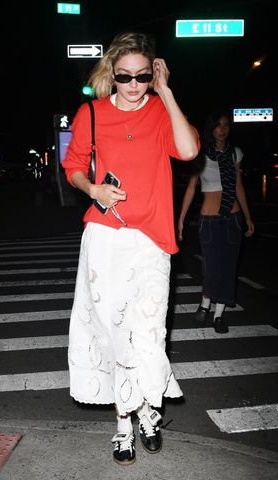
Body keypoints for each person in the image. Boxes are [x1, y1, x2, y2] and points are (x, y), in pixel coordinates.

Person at [62, 31, 199, 466]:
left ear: (153, 73)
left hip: (152, 240)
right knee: (116, 337)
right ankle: (124, 426)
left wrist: (168, 92)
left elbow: (189, 149)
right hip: (105, 238)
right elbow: (72, 167)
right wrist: (93, 188)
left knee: (150, 333)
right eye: (125, 77)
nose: (134, 85)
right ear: (113, 74)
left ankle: (149, 413)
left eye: (143, 76)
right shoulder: (92, 114)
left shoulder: (160, 111)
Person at [177, 109, 254, 334]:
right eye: (219, 125)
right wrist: (181, 219)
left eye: (227, 125)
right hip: (209, 219)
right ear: (211, 128)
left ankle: (219, 315)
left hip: (233, 218)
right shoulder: (200, 154)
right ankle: (205, 302)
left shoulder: (235, 154)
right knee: (211, 266)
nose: (223, 130)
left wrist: (248, 217)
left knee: (228, 268)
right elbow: (192, 188)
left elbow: (239, 186)